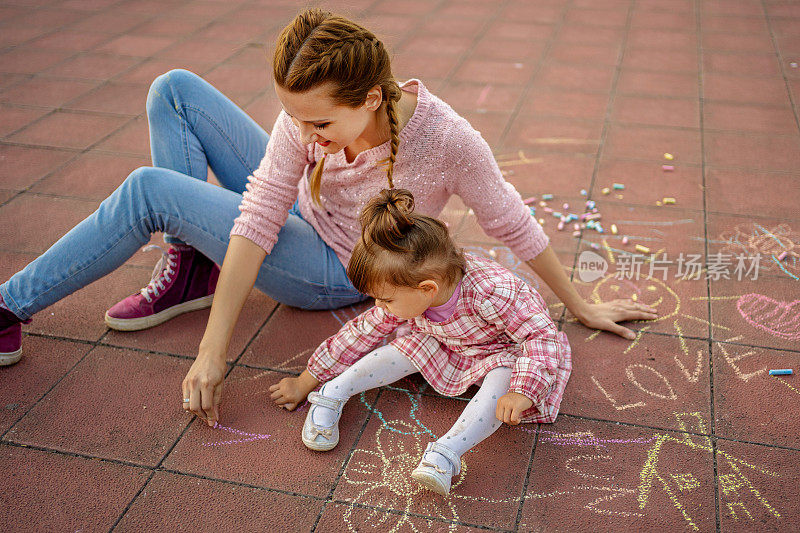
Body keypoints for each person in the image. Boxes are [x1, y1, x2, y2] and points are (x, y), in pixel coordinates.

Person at [0, 9, 656, 424]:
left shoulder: (447, 141)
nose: (305, 134)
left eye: (319, 120)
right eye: (295, 116)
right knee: (174, 89)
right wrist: (213, 344)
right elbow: (260, 210)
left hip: (336, 265)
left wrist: (578, 304)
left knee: (148, 188)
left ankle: (7, 308)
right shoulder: (308, 124)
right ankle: (194, 266)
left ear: (373, 98)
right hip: (298, 217)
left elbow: (512, 220)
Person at [269, 188, 571, 496]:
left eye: (385, 299)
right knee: (406, 346)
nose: (379, 305)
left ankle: (446, 453)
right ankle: (333, 392)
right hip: (447, 344)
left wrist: (523, 392)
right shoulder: (412, 294)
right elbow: (361, 332)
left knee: (504, 380)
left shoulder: (494, 293)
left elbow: (540, 336)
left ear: (427, 289)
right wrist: (307, 380)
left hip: (499, 352)